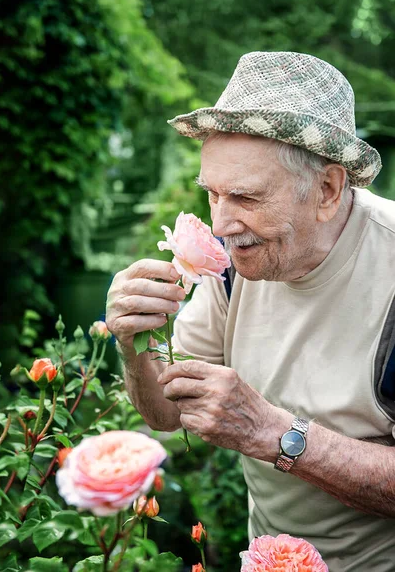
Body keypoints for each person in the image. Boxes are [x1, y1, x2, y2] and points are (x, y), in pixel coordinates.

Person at [106, 52, 395, 571]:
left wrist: (275, 434)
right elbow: (166, 414)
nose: (220, 224)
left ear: (327, 189)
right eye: (212, 194)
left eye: (244, 196)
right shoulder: (231, 267)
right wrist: (133, 345)